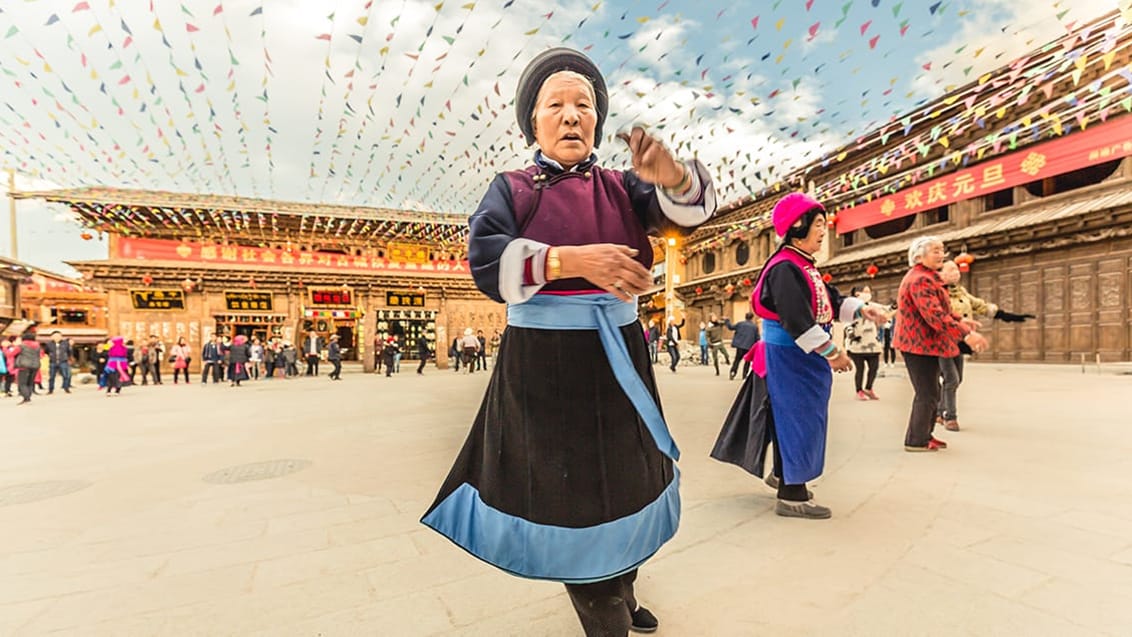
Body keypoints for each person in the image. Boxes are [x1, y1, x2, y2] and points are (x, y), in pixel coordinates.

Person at [421, 47, 715, 637]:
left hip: (620, 360)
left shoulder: (623, 188)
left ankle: (624, 590)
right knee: (576, 498)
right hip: (546, 373)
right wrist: (566, 261)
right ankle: (606, 608)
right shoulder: (512, 189)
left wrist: (675, 177)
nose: (572, 114)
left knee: (630, 483)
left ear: (598, 122)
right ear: (534, 121)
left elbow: (685, 213)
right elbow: (485, 261)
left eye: (584, 104)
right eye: (556, 104)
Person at [712, 192, 885, 520]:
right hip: (792, 357)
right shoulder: (785, 268)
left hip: (798, 356)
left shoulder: (801, 264)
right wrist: (833, 352)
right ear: (797, 226)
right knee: (800, 419)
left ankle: (784, 475)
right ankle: (793, 494)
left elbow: (830, 302)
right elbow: (796, 319)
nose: (824, 230)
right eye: (818, 224)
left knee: (788, 418)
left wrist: (865, 309)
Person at [894, 237, 988, 452]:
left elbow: (943, 310)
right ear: (919, 256)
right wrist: (966, 334)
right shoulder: (920, 280)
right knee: (926, 392)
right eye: (935, 251)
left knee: (932, 391)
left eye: (942, 250)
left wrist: (961, 320)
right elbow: (935, 316)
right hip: (916, 344)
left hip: (925, 343)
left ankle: (925, 435)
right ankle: (916, 440)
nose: (941, 255)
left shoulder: (929, 277)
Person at [937, 260, 1035, 431]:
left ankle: (938, 411)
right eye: (951, 269)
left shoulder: (961, 292)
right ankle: (949, 417)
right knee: (951, 379)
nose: (956, 272)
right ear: (941, 274)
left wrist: (1006, 315)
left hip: (961, 342)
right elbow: (940, 316)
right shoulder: (938, 293)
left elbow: (980, 306)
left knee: (956, 378)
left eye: (957, 269)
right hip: (943, 341)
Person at [844, 286, 883, 400]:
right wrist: (851, 333)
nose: (868, 294)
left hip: (872, 342)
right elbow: (846, 322)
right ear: (857, 293)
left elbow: (884, 309)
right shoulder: (851, 307)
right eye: (866, 291)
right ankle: (859, 390)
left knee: (874, 367)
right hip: (857, 343)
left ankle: (869, 388)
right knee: (860, 369)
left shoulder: (872, 306)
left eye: (869, 291)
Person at [723, 313, 760, 380]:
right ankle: (744, 375)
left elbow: (731, 327)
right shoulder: (754, 327)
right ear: (752, 318)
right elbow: (757, 338)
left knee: (737, 360)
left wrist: (727, 321)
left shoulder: (740, 324)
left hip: (740, 346)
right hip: (749, 347)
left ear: (745, 317)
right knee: (747, 361)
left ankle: (733, 372)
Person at [14, 332, 41, 404]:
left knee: (22, 383)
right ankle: (28, 397)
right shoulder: (38, 346)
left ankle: (26, 398)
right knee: (30, 382)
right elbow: (40, 355)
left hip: (24, 366)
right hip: (35, 366)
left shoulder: (21, 346)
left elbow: (12, 353)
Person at [44, 330, 73, 395]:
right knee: (51, 377)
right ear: (52, 337)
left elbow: (69, 352)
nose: (57, 337)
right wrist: (51, 356)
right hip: (53, 362)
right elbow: (46, 352)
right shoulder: (49, 344)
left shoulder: (65, 343)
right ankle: (50, 390)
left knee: (65, 376)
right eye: (55, 336)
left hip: (63, 361)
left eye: (58, 336)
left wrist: (68, 358)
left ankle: (66, 388)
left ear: (61, 337)